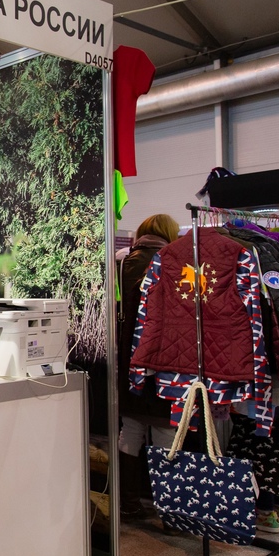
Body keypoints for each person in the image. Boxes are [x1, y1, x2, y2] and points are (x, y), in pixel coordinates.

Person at [116, 214, 180, 521]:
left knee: (130, 430)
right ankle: (168, 512)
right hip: (165, 360)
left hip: (127, 359)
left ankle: (128, 503)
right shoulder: (174, 262)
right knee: (166, 432)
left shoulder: (123, 263)